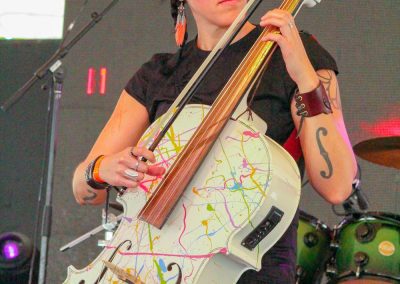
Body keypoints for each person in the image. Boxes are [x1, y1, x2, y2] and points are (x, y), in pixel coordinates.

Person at [72, 0, 357, 283]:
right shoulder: (158, 75)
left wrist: (306, 78)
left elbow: (338, 187)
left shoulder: (292, 51)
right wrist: (100, 169)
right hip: (141, 267)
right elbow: (84, 190)